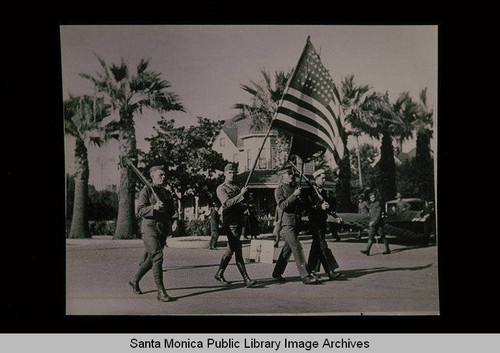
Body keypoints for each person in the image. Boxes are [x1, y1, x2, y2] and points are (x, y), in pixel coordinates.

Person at [128, 165, 177, 302]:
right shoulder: (145, 191)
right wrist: (154, 207)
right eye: (160, 175)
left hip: (161, 229)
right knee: (158, 256)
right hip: (149, 229)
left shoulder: (166, 192)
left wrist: (175, 221)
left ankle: (134, 280)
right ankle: (161, 292)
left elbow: (172, 210)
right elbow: (140, 211)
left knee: (151, 260)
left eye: (164, 175)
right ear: (152, 177)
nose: (163, 177)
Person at [271, 165, 318, 285]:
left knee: (287, 250)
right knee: (297, 247)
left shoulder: (295, 188)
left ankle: (277, 272)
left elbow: (303, 205)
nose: (292, 175)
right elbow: (282, 206)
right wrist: (295, 195)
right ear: (282, 177)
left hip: (296, 222)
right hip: (287, 223)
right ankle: (305, 276)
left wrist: (302, 197)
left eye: (292, 173)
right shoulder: (279, 190)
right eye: (289, 174)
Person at [214, 163, 257, 287]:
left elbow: (240, 203)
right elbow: (227, 203)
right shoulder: (221, 188)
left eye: (233, 172)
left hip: (239, 221)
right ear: (224, 174)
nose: (232, 175)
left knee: (231, 249)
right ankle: (246, 279)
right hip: (230, 223)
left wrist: (245, 204)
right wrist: (241, 195)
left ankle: (219, 273)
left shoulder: (237, 187)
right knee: (238, 250)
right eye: (229, 173)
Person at [306, 169, 342, 281]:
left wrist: (336, 217)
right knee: (322, 245)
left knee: (316, 247)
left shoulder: (324, 192)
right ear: (316, 179)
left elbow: (328, 207)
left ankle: (311, 271)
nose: (324, 180)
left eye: (325, 178)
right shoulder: (310, 191)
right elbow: (307, 208)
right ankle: (330, 271)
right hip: (314, 223)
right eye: (322, 178)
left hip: (322, 222)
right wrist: (318, 207)